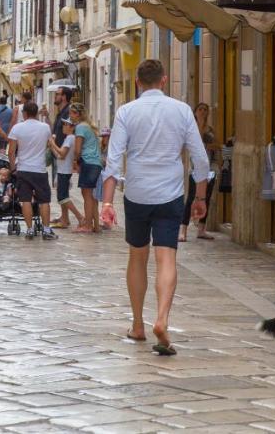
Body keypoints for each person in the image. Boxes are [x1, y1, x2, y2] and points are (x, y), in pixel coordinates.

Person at [101, 59, 209, 354]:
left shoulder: (126, 112)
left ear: (137, 82)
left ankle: (138, 324)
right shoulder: (182, 110)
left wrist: (107, 202)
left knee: (137, 257)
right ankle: (161, 319)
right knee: (167, 258)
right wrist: (200, 197)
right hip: (170, 194)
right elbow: (199, 157)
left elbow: (113, 161)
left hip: (136, 193)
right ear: (164, 80)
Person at [7, 101, 57, 240]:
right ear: (36, 113)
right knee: (44, 200)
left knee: (26, 200)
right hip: (39, 169)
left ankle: (29, 229)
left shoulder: (17, 128)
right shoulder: (45, 128)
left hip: (23, 168)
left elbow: (11, 152)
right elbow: (49, 143)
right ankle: (46, 230)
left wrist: (13, 168)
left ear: (25, 113)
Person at [181, 102, 216, 242]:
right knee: (191, 199)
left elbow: (217, 144)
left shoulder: (210, 129)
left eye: (205, 109)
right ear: (195, 112)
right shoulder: (191, 128)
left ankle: (201, 229)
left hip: (210, 168)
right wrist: (200, 124)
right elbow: (197, 142)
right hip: (195, 169)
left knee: (206, 198)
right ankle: (183, 230)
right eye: (200, 109)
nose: (203, 111)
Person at [69, 103, 103, 233]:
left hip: (87, 162)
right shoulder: (88, 126)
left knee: (87, 195)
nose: (70, 116)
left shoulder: (80, 128)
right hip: (96, 163)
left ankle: (87, 225)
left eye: (71, 113)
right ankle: (96, 226)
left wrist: (75, 161)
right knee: (92, 196)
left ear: (77, 114)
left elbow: (77, 149)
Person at [48, 119, 84, 229]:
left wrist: (53, 143)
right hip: (63, 170)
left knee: (63, 197)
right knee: (63, 197)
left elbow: (62, 153)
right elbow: (61, 156)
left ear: (72, 127)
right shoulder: (69, 138)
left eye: (66, 124)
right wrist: (52, 147)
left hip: (64, 171)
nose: (63, 126)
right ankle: (65, 219)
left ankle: (80, 218)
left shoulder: (70, 138)